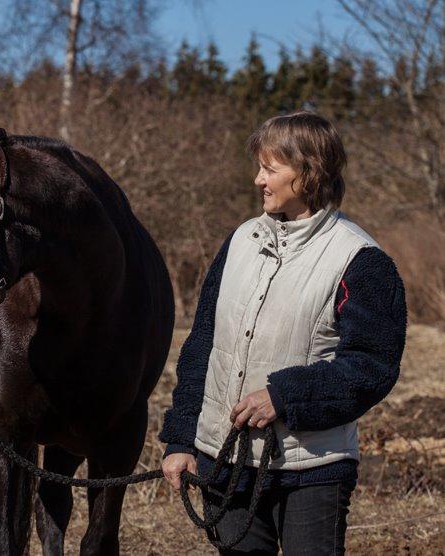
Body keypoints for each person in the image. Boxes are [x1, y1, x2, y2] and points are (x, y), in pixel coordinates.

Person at [158, 111, 408, 555]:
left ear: (309, 172)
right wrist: (180, 439)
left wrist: (284, 396)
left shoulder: (362, 260)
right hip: (227, 464)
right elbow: (202, 345)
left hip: (312, 469)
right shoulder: (239, 241)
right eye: (259, 167)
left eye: (270, 169)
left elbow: (372, 364)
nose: (258, 179)